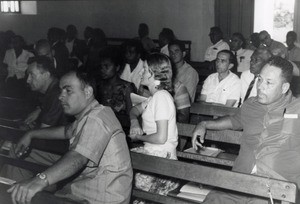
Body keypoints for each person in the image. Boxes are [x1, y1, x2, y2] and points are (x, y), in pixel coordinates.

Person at [7, 70, 133, 204]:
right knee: (22, 154)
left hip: (100, 199)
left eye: (68, 91)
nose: (61, 96)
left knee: (37, 186)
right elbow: (66, 131)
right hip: (81, 192)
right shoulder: (88, 115)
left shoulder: (97, 118)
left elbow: (78, 157)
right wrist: (30, 134)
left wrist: (39, 180)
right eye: (61, 91)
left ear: (88, 92)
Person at [192, 56, 300, 204]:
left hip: (277, 188)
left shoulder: (298, 109)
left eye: (269, 83)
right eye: (260, 79)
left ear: (284, 88)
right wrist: (204, 124)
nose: (260, 86)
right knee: (213, 199)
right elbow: (234, 120)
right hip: (240, 181)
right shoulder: (251, 105)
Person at [2, 56, 69, 181]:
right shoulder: (51, 91)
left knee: (17, 149)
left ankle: (12, 190)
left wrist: (27, 131)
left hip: (60, 152)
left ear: (46, 75)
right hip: (55, 145)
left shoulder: (56, 95)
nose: (28, 80)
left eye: (32, 75)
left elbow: (43, 133)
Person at [129, 53, 179, 197]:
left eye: (144, 69)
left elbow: (160, 138)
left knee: (121, 175)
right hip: (153, 153)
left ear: (154, 74)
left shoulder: (161, 97)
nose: (141, 72)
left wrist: (139, 137)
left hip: (163, 159)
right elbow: (134, 110)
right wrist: (134, 123)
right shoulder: (153, 98)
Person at [95, 46, 136, 131]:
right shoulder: (100, 86)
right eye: (101, 66)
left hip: (121, 131)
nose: (102, 70)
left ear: (117, 67)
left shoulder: (127, 88)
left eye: (106, 66)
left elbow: (131, 118)